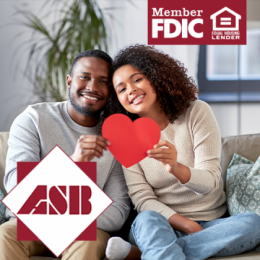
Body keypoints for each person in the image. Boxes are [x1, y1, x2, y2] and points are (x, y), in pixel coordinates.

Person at [104, 44, 260, 260]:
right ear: (117, 100)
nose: (130, 90)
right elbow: (142, 198)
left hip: (211, 225)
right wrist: (185, 224)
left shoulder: (197, 113)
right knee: (146, 219)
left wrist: (176, 168)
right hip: (161, 224)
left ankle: (146, 253)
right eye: (121, 89)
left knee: (253, 223)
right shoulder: (124, 137)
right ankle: (158, 248)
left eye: (137, 79)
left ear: (156, 76)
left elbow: (212, 183)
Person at [0, 49, 130, 260]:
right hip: (30, 226)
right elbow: (18, 191)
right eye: (84, 77)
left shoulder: (115, 136)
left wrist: (44, 204)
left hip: (86, 233)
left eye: (103, 81)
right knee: (3, 236)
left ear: (111, 90)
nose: (92, 87)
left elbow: (117, 214)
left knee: (88, 245)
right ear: (69, 81)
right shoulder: (33, 119)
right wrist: (73, 162)